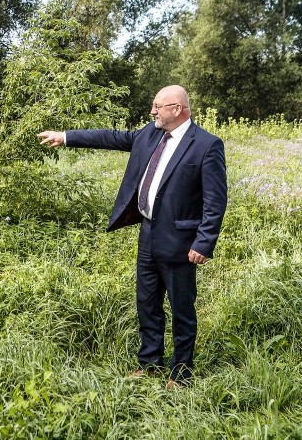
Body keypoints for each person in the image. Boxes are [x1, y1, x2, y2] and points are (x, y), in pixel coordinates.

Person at [37, 85, 227, 388]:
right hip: (149, 233)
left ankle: (181, 374)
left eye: (157, 106)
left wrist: (204, 241)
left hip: (180, 241)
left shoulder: (206, 145)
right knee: (147, 302)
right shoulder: (151, 134)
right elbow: (113, 138)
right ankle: (150, 363)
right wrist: (66, 136)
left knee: (181, 309)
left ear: (177, 109)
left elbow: (215, 200)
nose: (152, 111)